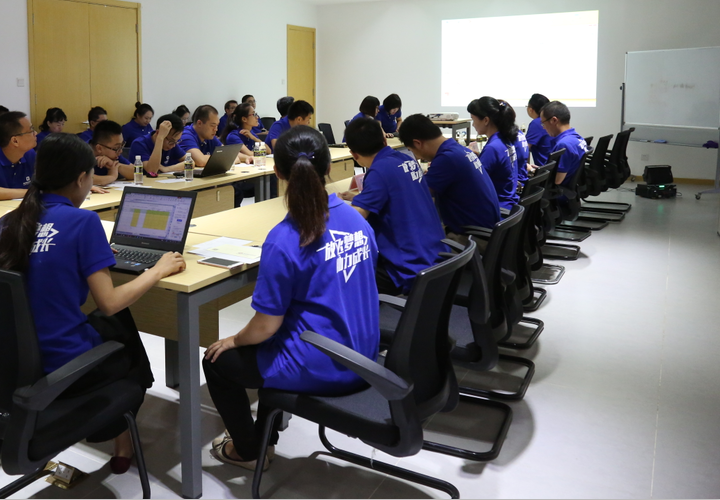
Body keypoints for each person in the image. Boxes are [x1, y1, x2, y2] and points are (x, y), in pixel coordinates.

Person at [0, 133, 185, 474]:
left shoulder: (10, 222)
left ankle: (117, 434)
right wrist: (157, 270)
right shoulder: (83, 222)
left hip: (15, 359)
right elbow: (109, 302)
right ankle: (118, 434)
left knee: (114, 325)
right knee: (125, 338)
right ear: (82, 178)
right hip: (64, 363)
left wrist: (92, 255)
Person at [203, 126, 379, 471]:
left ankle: (248, 451)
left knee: (216, 360)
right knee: (278, 337)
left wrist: (233, 340)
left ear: (277, 172)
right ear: (329, 167)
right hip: (364, 356)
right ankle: (266, 436)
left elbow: (265, 327)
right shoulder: (357, 221)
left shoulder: (284, 238)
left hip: (326, 366)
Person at [343, 117, 445, 295]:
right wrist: (361, 197)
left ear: (354, 154)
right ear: (384, 140)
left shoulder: (378, 171)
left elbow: (355, 218)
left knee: (344, 275)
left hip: (410, 267)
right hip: (437, 255)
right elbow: (396, 193)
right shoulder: (406, 159)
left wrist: (333, 206)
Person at [398, 114, 500, 237]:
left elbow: (417, 194)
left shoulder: (447, 159)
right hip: (487, 230)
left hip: (472, 237)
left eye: (412, 150)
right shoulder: (459, 149)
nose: (416, 156)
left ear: (418, 143)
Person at [467, 96, 520, 209]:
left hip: (497, 208)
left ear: (486, 120)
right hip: (509, 203)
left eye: (473, 119)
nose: (473, 124)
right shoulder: (504, 140)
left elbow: (474, 183)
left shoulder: (492, 148)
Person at [0, 111, 37, 200]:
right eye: (31, 130)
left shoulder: (29, 154)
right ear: (15, 141)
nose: (35, 133)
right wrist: (29, 192)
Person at [541, 101, 588, 185]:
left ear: (554, 120)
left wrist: (533, 172)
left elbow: (557, 181)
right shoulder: (578, 138)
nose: (543, 127)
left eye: (543, 123)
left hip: (559, 190)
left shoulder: (564, 145)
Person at [89, 120, 134, 185]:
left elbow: (136, 172)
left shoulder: (115, 154)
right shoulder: (82, 153)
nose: (120, 151)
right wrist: (112, 176)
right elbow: (85, 179)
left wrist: (114, 164)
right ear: (99, 148)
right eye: (117, 147)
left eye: (121, 145)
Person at [525, 93, 554, 166]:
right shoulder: (552, 120)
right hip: (553, 165)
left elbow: (525, 148)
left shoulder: (536, 123)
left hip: (544, 168)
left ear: (531, 109)